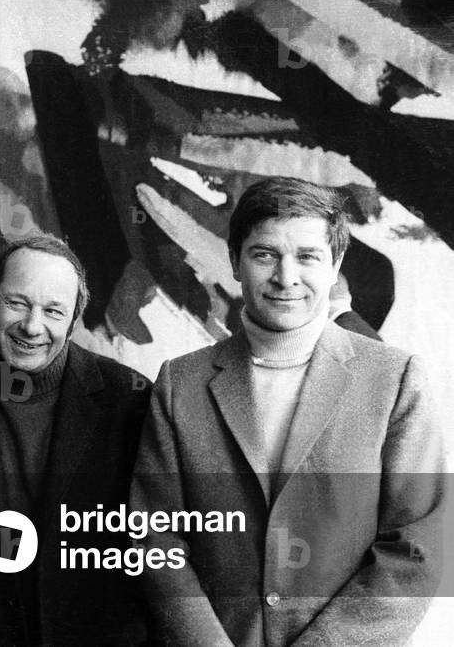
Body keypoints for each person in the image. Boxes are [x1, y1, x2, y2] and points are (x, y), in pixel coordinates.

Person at [130, 177, 445, 646]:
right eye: (265, 254)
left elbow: (420, 547)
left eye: (307, 256)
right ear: (236, 262)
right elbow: (154, 542)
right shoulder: (181, 383)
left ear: (335, 263)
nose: (286, 276)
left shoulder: (395, 379)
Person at [0, 234, 153, 646]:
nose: (31, 326)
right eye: (17, 303)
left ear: (73, 321)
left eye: (53, 311)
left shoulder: (129, 398)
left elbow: (156, 539)